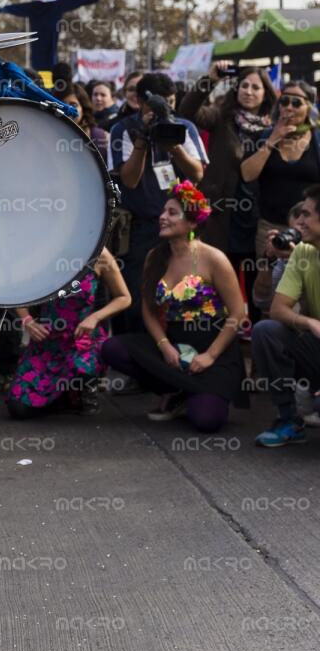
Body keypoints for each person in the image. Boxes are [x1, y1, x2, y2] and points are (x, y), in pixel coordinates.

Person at [100, 183, 245, 432]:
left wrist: (210, 355)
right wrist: (164, 345)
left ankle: (196, 392)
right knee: (112, 348)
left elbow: (238, 313)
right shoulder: (154, 257)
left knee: (206, 420)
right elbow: (148, 310)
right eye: (163, 211)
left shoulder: (214, 259)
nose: (163, 217)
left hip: (213, 350)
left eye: (172, 213)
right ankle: (175, 388)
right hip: (175, 349)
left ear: (192, 222)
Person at [108, 72, 207, 334]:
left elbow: (197, 173)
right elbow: (129, 180)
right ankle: (136, 357)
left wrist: (174, 144)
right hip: (142, 228)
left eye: (172, 102)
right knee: (139, 293)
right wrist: (143, 138)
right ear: (141, 102)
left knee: (184, 290)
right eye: (161, 104)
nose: (168, 109)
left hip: (182, 226)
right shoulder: (123, 130)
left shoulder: (184, 126)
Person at [7, 247, 130, 418]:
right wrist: (27, 320)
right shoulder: (39, 250)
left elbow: (124, 297)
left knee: (83, 381)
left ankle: (78, 389)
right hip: (47, 344)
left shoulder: (99, 253)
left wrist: (95, 318)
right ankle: (60, 395)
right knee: (18, 409)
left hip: (82, 341)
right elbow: (15, 291)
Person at [180, 63, 276, 272]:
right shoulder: (221, 119)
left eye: (255, 87)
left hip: (258, 216)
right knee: (216, 283)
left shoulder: (274, 129)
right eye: (244, 86)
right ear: (236, 89)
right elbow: (186, 111)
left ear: (265, 93)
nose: (249, 91)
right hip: (221, 215)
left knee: (257, 289)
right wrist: (210, 80)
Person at [250, 186, 320, 447]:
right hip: (315, 344)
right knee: (266, 330)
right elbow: (277, 309)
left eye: (306, 215)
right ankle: (288, 419)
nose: (299, 221)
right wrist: (308, 322)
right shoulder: (303, 252)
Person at [239, 80, 319, 272]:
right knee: (267, 291)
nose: (289, 107)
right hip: (270, 229)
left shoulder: (317, 138)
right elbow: (247, 175)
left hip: (310, 231)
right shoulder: (265, 135)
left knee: (309, 290)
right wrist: (272, 139)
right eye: (284, 102)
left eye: (297, 103)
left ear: (309, 107)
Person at [63, 83, 108, 158]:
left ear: (83, 108)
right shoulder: (47, 135)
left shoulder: (102, 137)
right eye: (62, 104)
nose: (68, 109)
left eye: (74, 105)